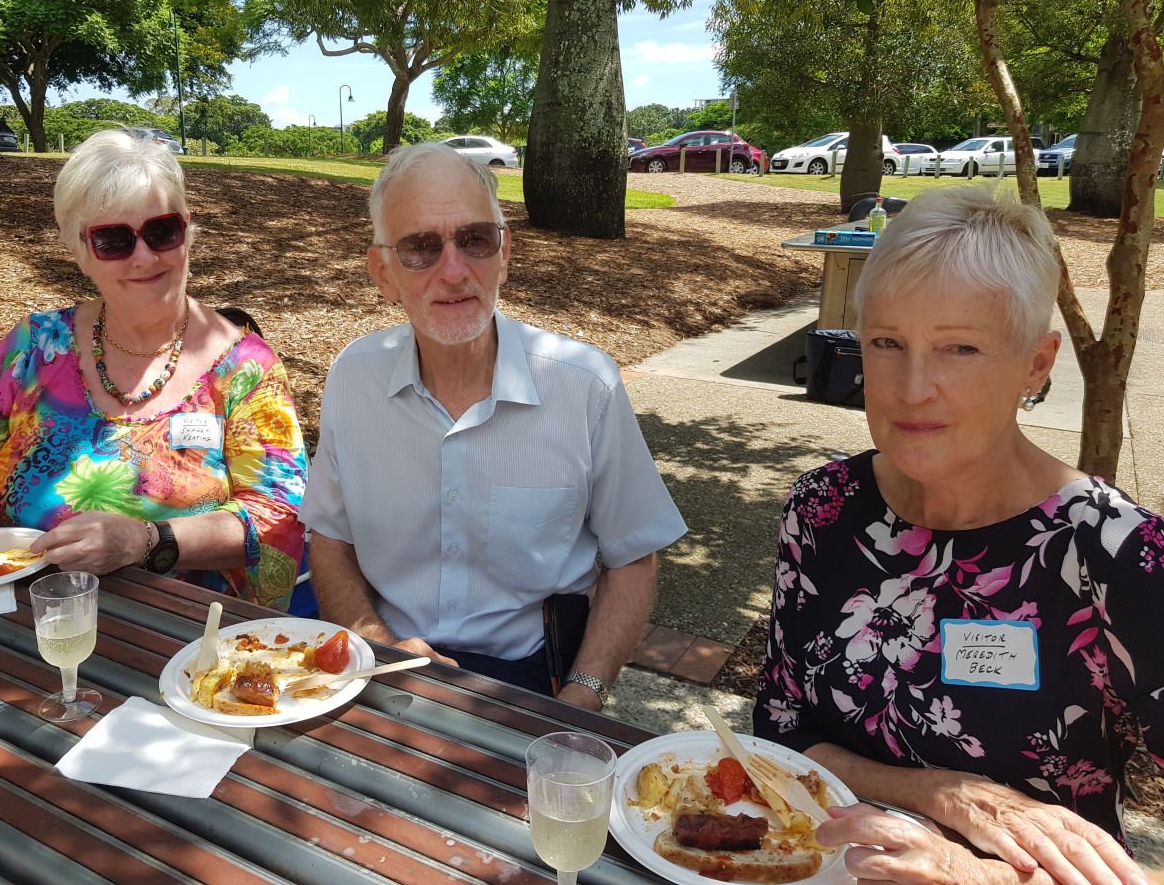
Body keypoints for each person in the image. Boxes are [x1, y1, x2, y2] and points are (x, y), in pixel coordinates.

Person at [755, 185, 1160, 885]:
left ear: (1037, 363)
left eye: (960, 348)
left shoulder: (1118, 555)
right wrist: (937, 793)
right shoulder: (823, 508)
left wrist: (985, 874)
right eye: (887, 343)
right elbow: (784, 734)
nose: (912, 389)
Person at [301, 141, 686, 710]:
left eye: (475, 239)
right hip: (382, 657)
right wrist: (376, 646)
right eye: (420, 248)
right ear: (383, 273)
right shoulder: (354, 378)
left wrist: (583, 696)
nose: (454, 271)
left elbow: (632, 555)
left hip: (526, 676)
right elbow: (329, 538)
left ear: (505, 253)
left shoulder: (583, 385)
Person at [0, 129, 306, 609]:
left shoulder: (245, 369)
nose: (145, 256)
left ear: (187, 230)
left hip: (169, 633)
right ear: (80, 251)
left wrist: (147, 539)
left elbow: (276, 517)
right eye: (113, 240)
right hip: (14, 613)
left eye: (162, 230)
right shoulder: (36, 346)